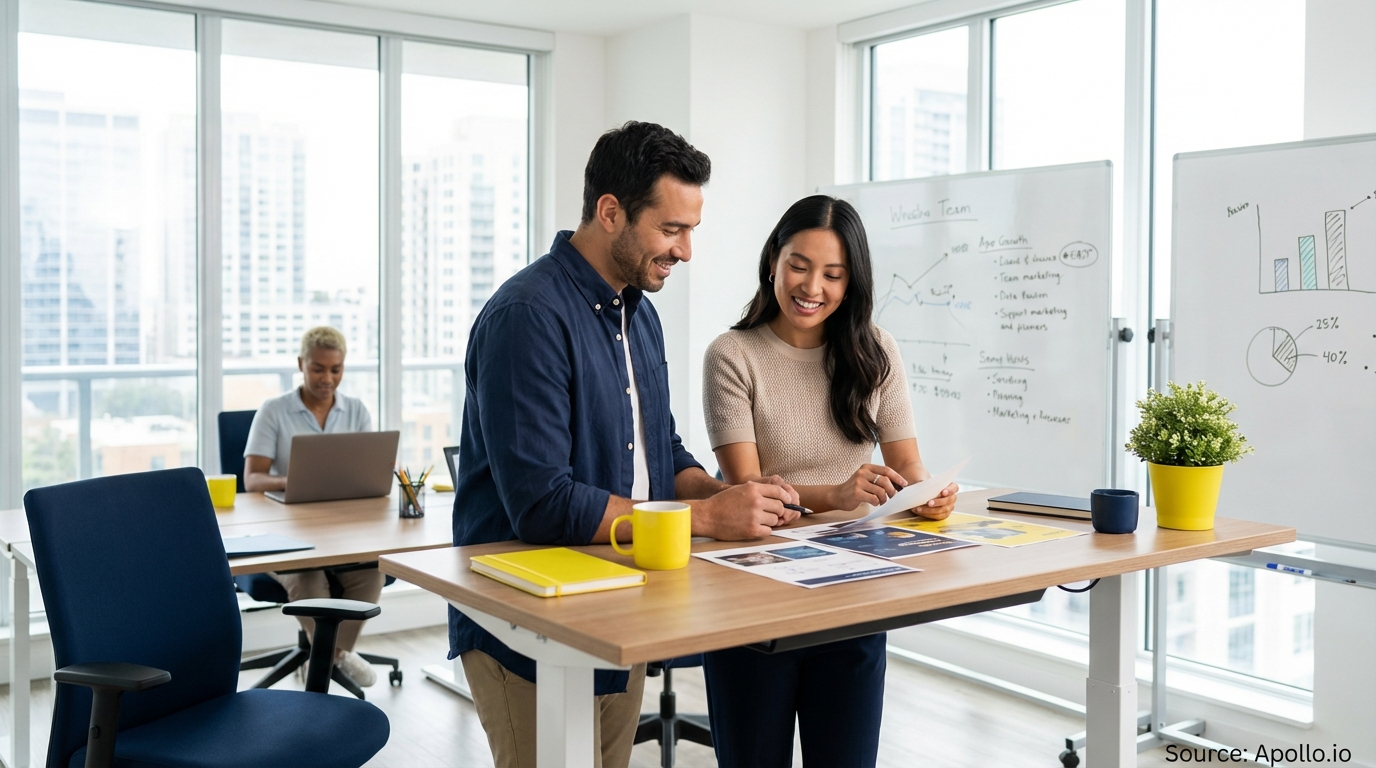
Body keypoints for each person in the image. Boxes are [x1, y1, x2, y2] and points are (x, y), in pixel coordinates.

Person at [450, 121, 801, 768]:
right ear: (610, 212)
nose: (687, 251)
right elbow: (543, 504)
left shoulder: (638, 314)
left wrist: (728, 494)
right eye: (672, 230)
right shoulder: (526, 318)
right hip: (527, 622)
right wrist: (704, 519)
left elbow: (661, 454)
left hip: (618, 599)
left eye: (691, 230)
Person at [701, 194, 960, 768]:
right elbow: (748, 495)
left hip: (852, 590)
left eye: (833, 274)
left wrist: (927, 494)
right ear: (773, 260)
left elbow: (906, 463)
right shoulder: (732, 355)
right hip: (754, 593)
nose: (811, 286)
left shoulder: (875, 352)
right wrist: (838, 495)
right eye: (799, 264)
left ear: (852, 283)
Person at [242, 325, 383, 687]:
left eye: (336, 370)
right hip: (285, 534)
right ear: (301, 364)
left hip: (342, 534)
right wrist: (291, 480)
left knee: (371, 573)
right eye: (318, 369)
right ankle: (336, 659)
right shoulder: (274, 411)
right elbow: (253, 479)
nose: (327, 378)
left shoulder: (356, 411)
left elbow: (368, 470)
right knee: (308, 576)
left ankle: (329, 657)